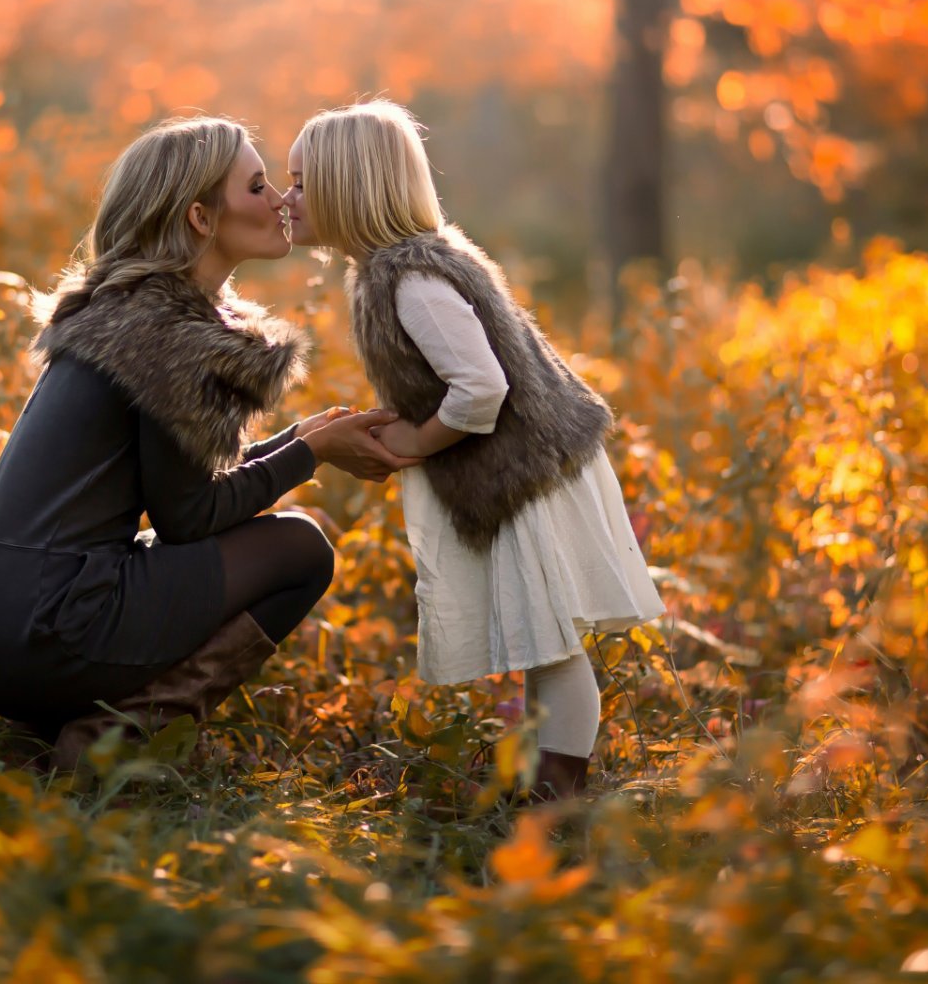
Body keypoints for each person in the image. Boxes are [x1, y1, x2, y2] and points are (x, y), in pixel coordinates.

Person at [0, 116, 419, 771]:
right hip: (51, 629)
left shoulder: (128, 315)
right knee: (301, 548)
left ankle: (61, 725)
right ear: (201, 217)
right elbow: (190, 517)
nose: (279, 200)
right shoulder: (170, 338)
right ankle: (123, 739)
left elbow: (185, 487)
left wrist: (305, 437)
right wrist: (312, 454)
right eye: (257, 186)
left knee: (255, 540)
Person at [283, 100, 665, 798]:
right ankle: (546, 780)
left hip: (527, 474)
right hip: (517, 472)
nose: (288, 198)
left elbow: (482, 386)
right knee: (544, 642)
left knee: (553, 645)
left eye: (302, 183)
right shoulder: (389, 272)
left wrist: (417, 438)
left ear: (348, 188)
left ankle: (557, 797)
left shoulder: (412, 280)